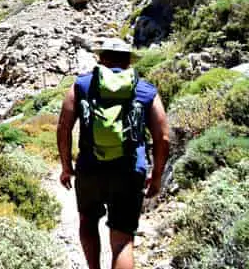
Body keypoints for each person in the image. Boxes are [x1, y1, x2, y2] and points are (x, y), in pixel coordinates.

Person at [56, 38, 170, 269]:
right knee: (122, 240)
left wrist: (67, 167)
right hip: (129, 171)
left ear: (101, 58)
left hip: (90, 168)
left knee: (88, 222)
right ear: (128, 61)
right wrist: (156, 176)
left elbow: (64, 127)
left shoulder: (81, 85)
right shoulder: (145, 90)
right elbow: (163, 137)